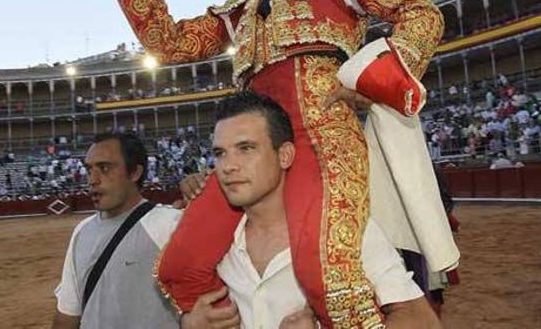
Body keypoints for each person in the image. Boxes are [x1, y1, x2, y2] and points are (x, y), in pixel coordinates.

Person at [109, 0, 447, 327]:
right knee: (179, 267)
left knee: (328, 273)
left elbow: (422, 12)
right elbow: (168, 43)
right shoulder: (237, 13)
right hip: (254, 146)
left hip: (325, 138)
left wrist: (380, 79)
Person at [181, 92, 439, 329]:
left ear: (285, 156)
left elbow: (422, 320)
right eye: (220, 153)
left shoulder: (342, 227)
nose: (228, 166)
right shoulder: (213, 242)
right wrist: (188, 325)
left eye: (246, 148)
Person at [51, 132, 181, 329]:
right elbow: (68, 314)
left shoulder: (169, 224)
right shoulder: (82, 232)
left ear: (135, 173)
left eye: (104, 168)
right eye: (89, 170)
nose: (92, 180)